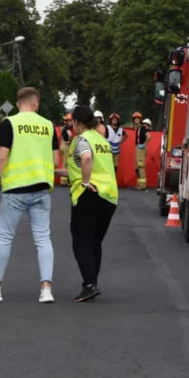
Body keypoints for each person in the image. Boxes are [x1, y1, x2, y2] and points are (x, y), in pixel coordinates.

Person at [0, 86, 61, 304]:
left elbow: (1, 156)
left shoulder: (11, 123)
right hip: (41, 189)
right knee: (43, 238)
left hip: (15, 189)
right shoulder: (48, 126)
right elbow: (55, 161)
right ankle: (46, 289)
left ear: (18, 104)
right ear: (36, 103)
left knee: (4, 237)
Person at [58, 105, 118, 302]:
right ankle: (92, 282)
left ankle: (90, 284)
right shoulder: (102, 141)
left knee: (81, 240)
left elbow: (86, 158)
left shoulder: (82, 139)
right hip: (109, 196)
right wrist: (53, 172)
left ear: (76, 122)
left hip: (89, 193)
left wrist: (84, 182)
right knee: (94, 241)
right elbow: (79, 167)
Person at [133, 113, 150, 191]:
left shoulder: (142, 127)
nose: (136, 120)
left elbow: (149, 136)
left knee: (140, 167)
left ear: (140, 120)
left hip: (141, 148)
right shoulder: (139, 128)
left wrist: (143, 144)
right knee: (137, 168)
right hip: (138, 148)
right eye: (135, 119)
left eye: (137, 119)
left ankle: (142, 185)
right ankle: (140, 185)